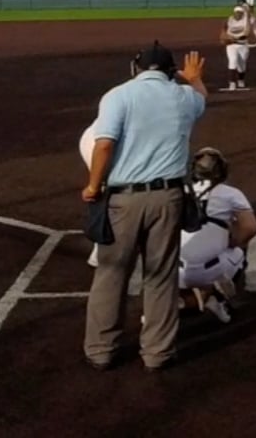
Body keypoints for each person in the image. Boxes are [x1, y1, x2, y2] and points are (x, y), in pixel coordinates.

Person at [83, 42, 208, 372]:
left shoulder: (118, 95)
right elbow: (202, 98)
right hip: (169, 197)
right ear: (171, 71)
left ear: (135, 68)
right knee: (162, 274)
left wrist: (93, 186)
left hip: (124, 198)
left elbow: (104, 144)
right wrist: (194, 78)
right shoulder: (185, 97)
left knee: (111, 273)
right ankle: (158, 352)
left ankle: (101, 350)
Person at [177, 147, 256, 324]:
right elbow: (250, 228)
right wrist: (232, 242)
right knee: (239, 254)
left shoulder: (179, 191)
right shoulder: (230, 193)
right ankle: (210, 293)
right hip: (210, 270)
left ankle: (176, 304)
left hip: (174, 270)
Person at [220, 3, 256, 90]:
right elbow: (223, 33)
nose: (238, 14)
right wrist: (226, 38)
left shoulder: (246, 19)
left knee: (241, 65)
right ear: (234, 12)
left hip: (243, 46)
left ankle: (241, 80)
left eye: (240, 13)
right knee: (233, 60)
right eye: (237, 12)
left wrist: (249, 9)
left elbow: (247, 33)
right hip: (231, 45)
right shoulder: (229, 20)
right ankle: (232, 82)